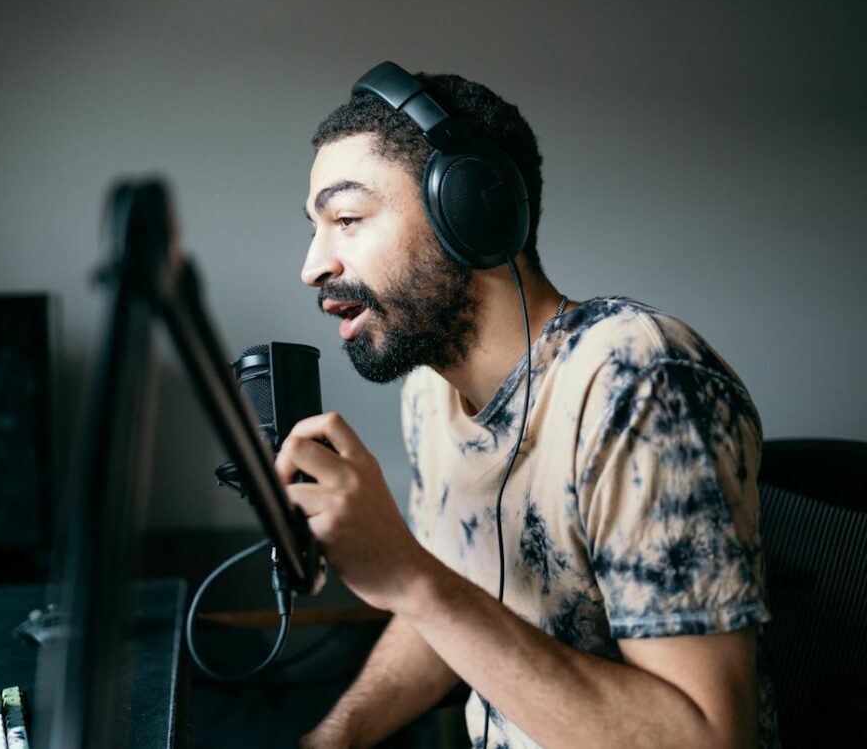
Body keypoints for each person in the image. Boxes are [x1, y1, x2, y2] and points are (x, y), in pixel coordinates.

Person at [274, 62, 777, 749]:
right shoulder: (430, 391)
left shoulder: (638, 382)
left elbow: (709, 739)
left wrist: (409, 576)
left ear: (470, 209)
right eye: (316, 226)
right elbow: (454, 604)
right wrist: (336, 735)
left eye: (348, 218)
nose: (313, 265)